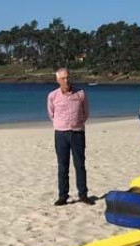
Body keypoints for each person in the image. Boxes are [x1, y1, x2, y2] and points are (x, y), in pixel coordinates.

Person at [47, 68, 91, 206]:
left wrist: (77, 123)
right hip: (60, 134)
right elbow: (51, 114)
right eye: (63, 78)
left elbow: (86, 113)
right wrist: (62, 124)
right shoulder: (52, 96)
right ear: (58, 80)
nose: (66, 80)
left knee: (80, 165)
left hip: (77, 133)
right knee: (62, 166)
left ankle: (83, 195)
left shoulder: (81, 94)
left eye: (68, 77)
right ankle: (63, 196)